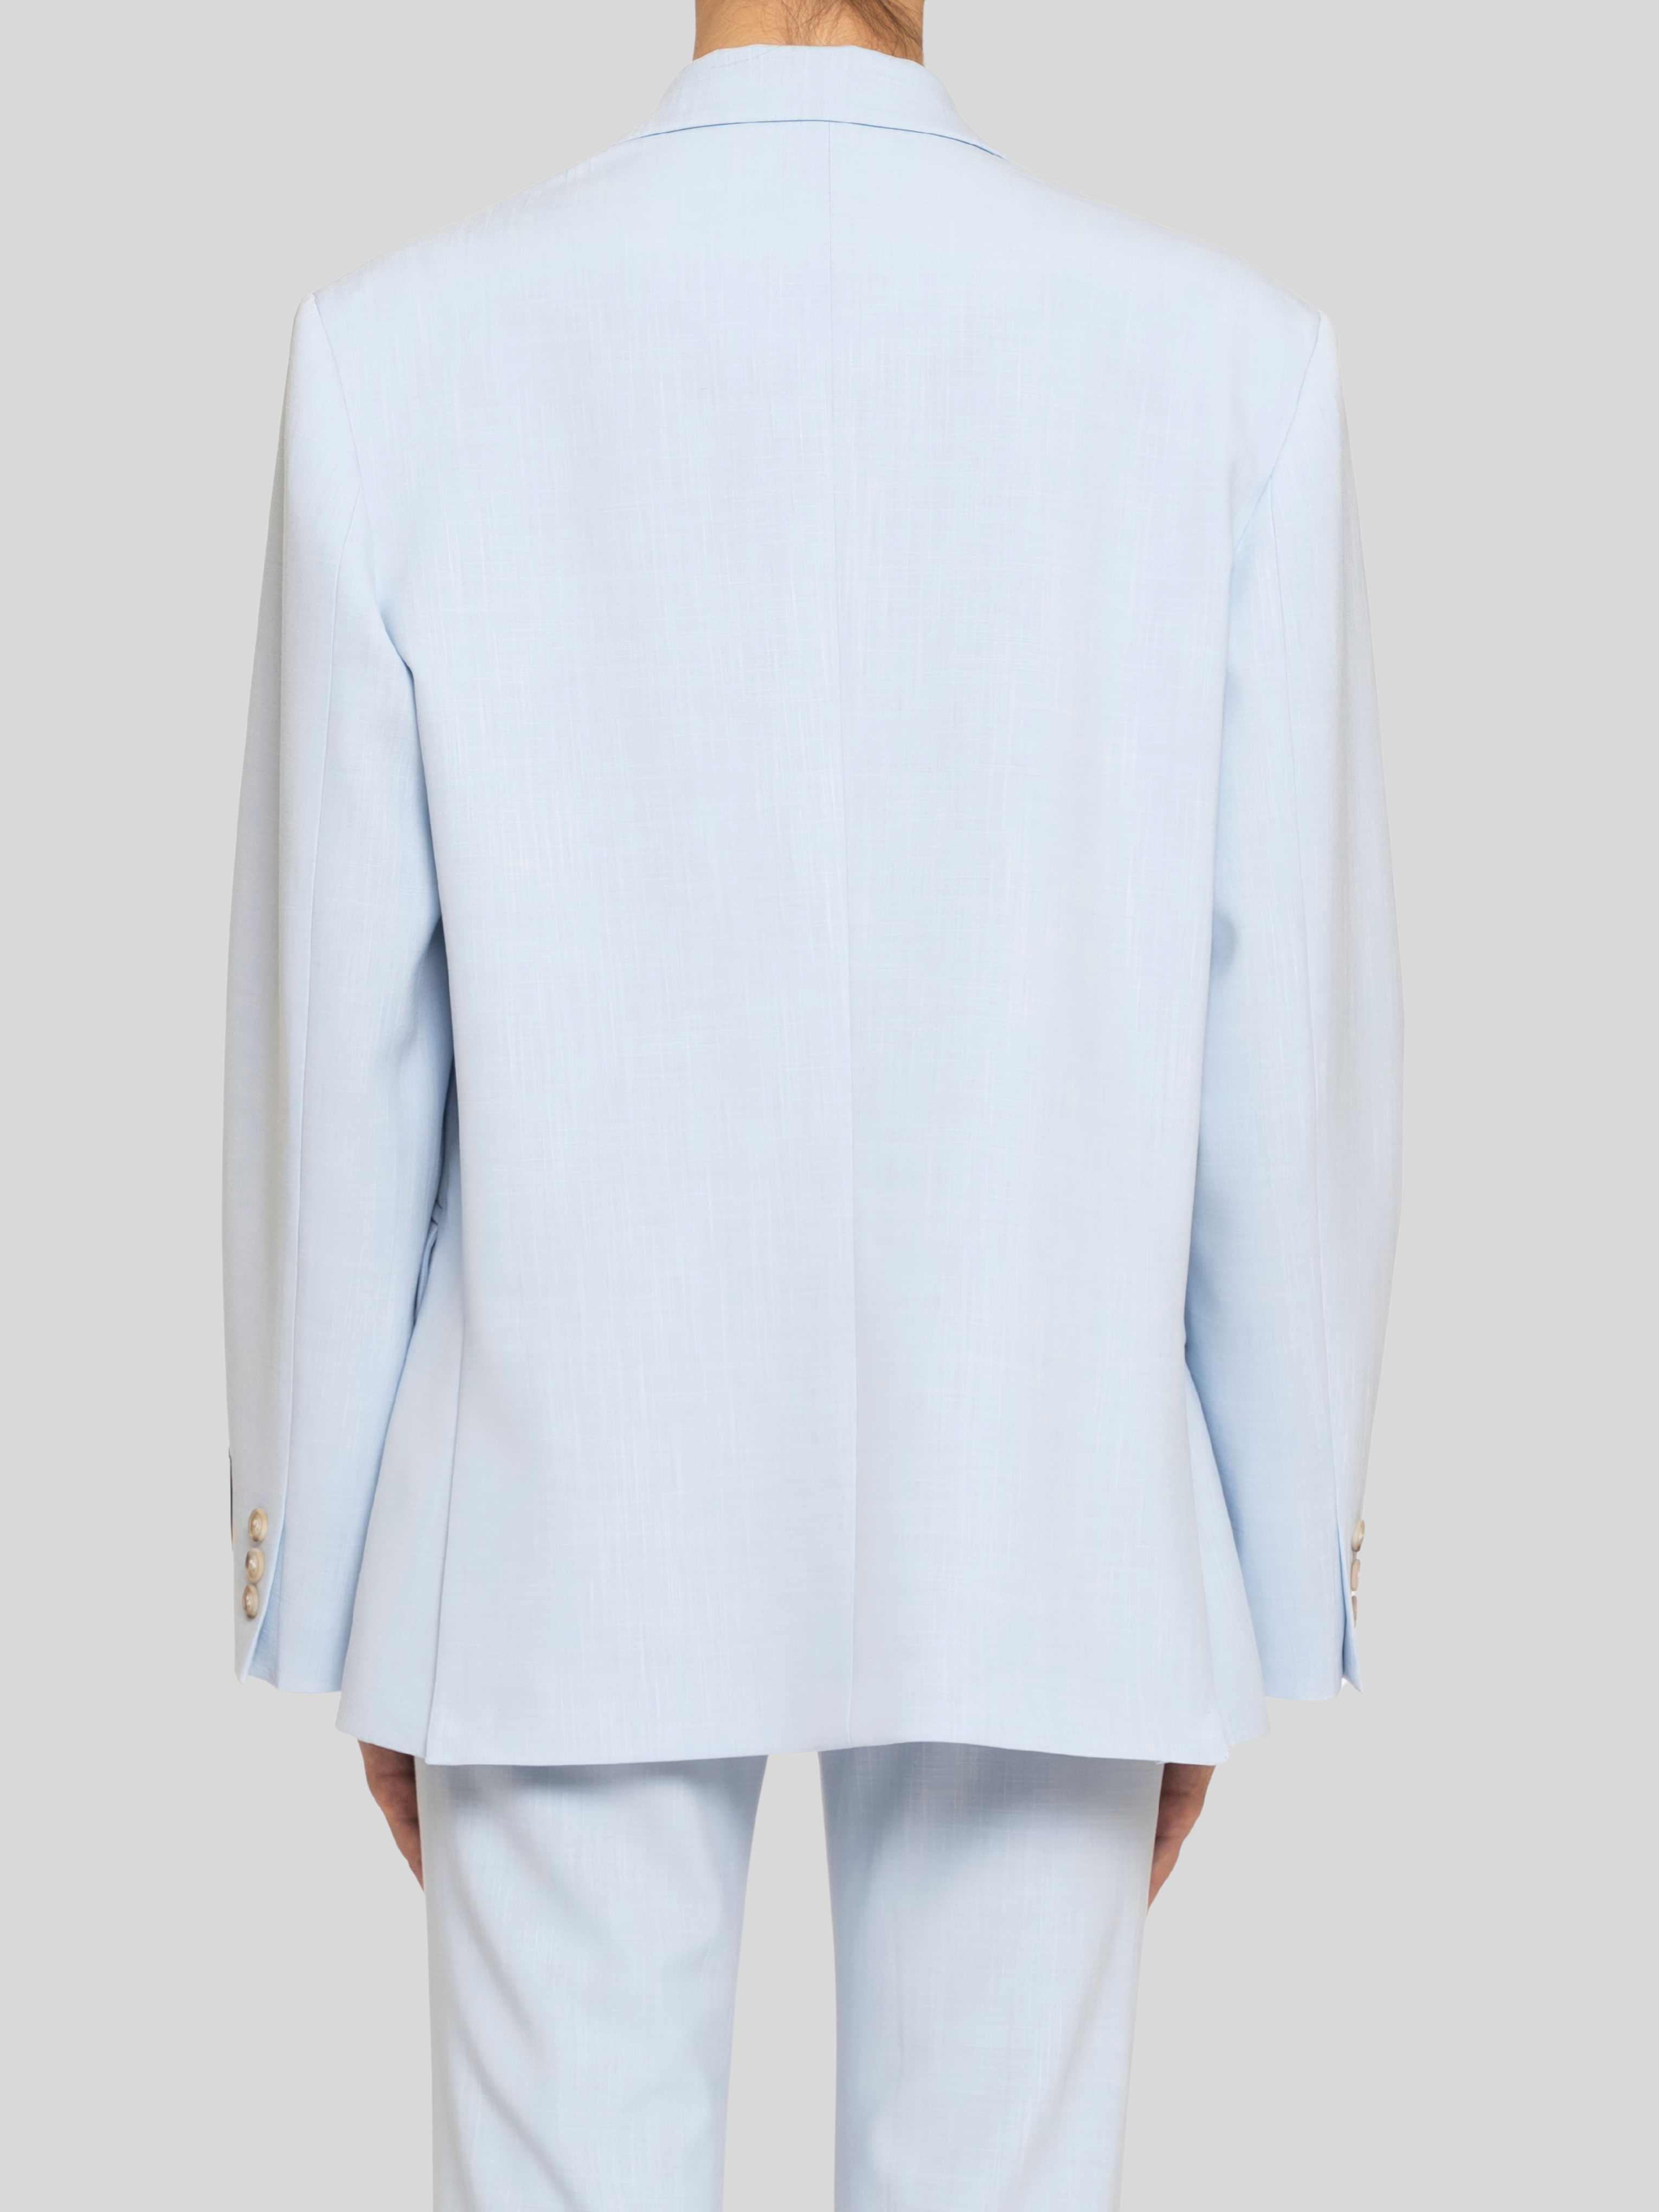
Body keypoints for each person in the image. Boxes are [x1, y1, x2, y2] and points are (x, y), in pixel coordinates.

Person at [223, 1, 1401, 2203]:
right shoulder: (1228, 369)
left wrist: (339, 1561)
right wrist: (1249, 1571)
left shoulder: (406, 352)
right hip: (1042, 1506)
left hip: (559, 1503)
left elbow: (337, 1020)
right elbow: (1280, 1026)